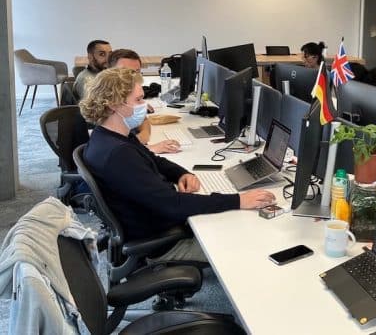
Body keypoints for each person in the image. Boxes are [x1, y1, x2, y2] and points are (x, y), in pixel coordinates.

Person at [80, 68, 275, 261]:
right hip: (164, 241)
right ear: (114, 105)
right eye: (138, 100)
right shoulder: (118, 154)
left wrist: (181, 173)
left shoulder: (107, 136)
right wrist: (238, 200)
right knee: (249, 246)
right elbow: (173, 204)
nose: (144, 105)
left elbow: (153, 160)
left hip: (154, 222)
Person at [108, 48, 179, 155]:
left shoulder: (130, 94)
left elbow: (143, 119)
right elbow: (114, 149)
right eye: (126, 72)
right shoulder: (107, 102)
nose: (133, 77)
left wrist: (144, 134)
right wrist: (148, 149)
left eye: (137, 72)